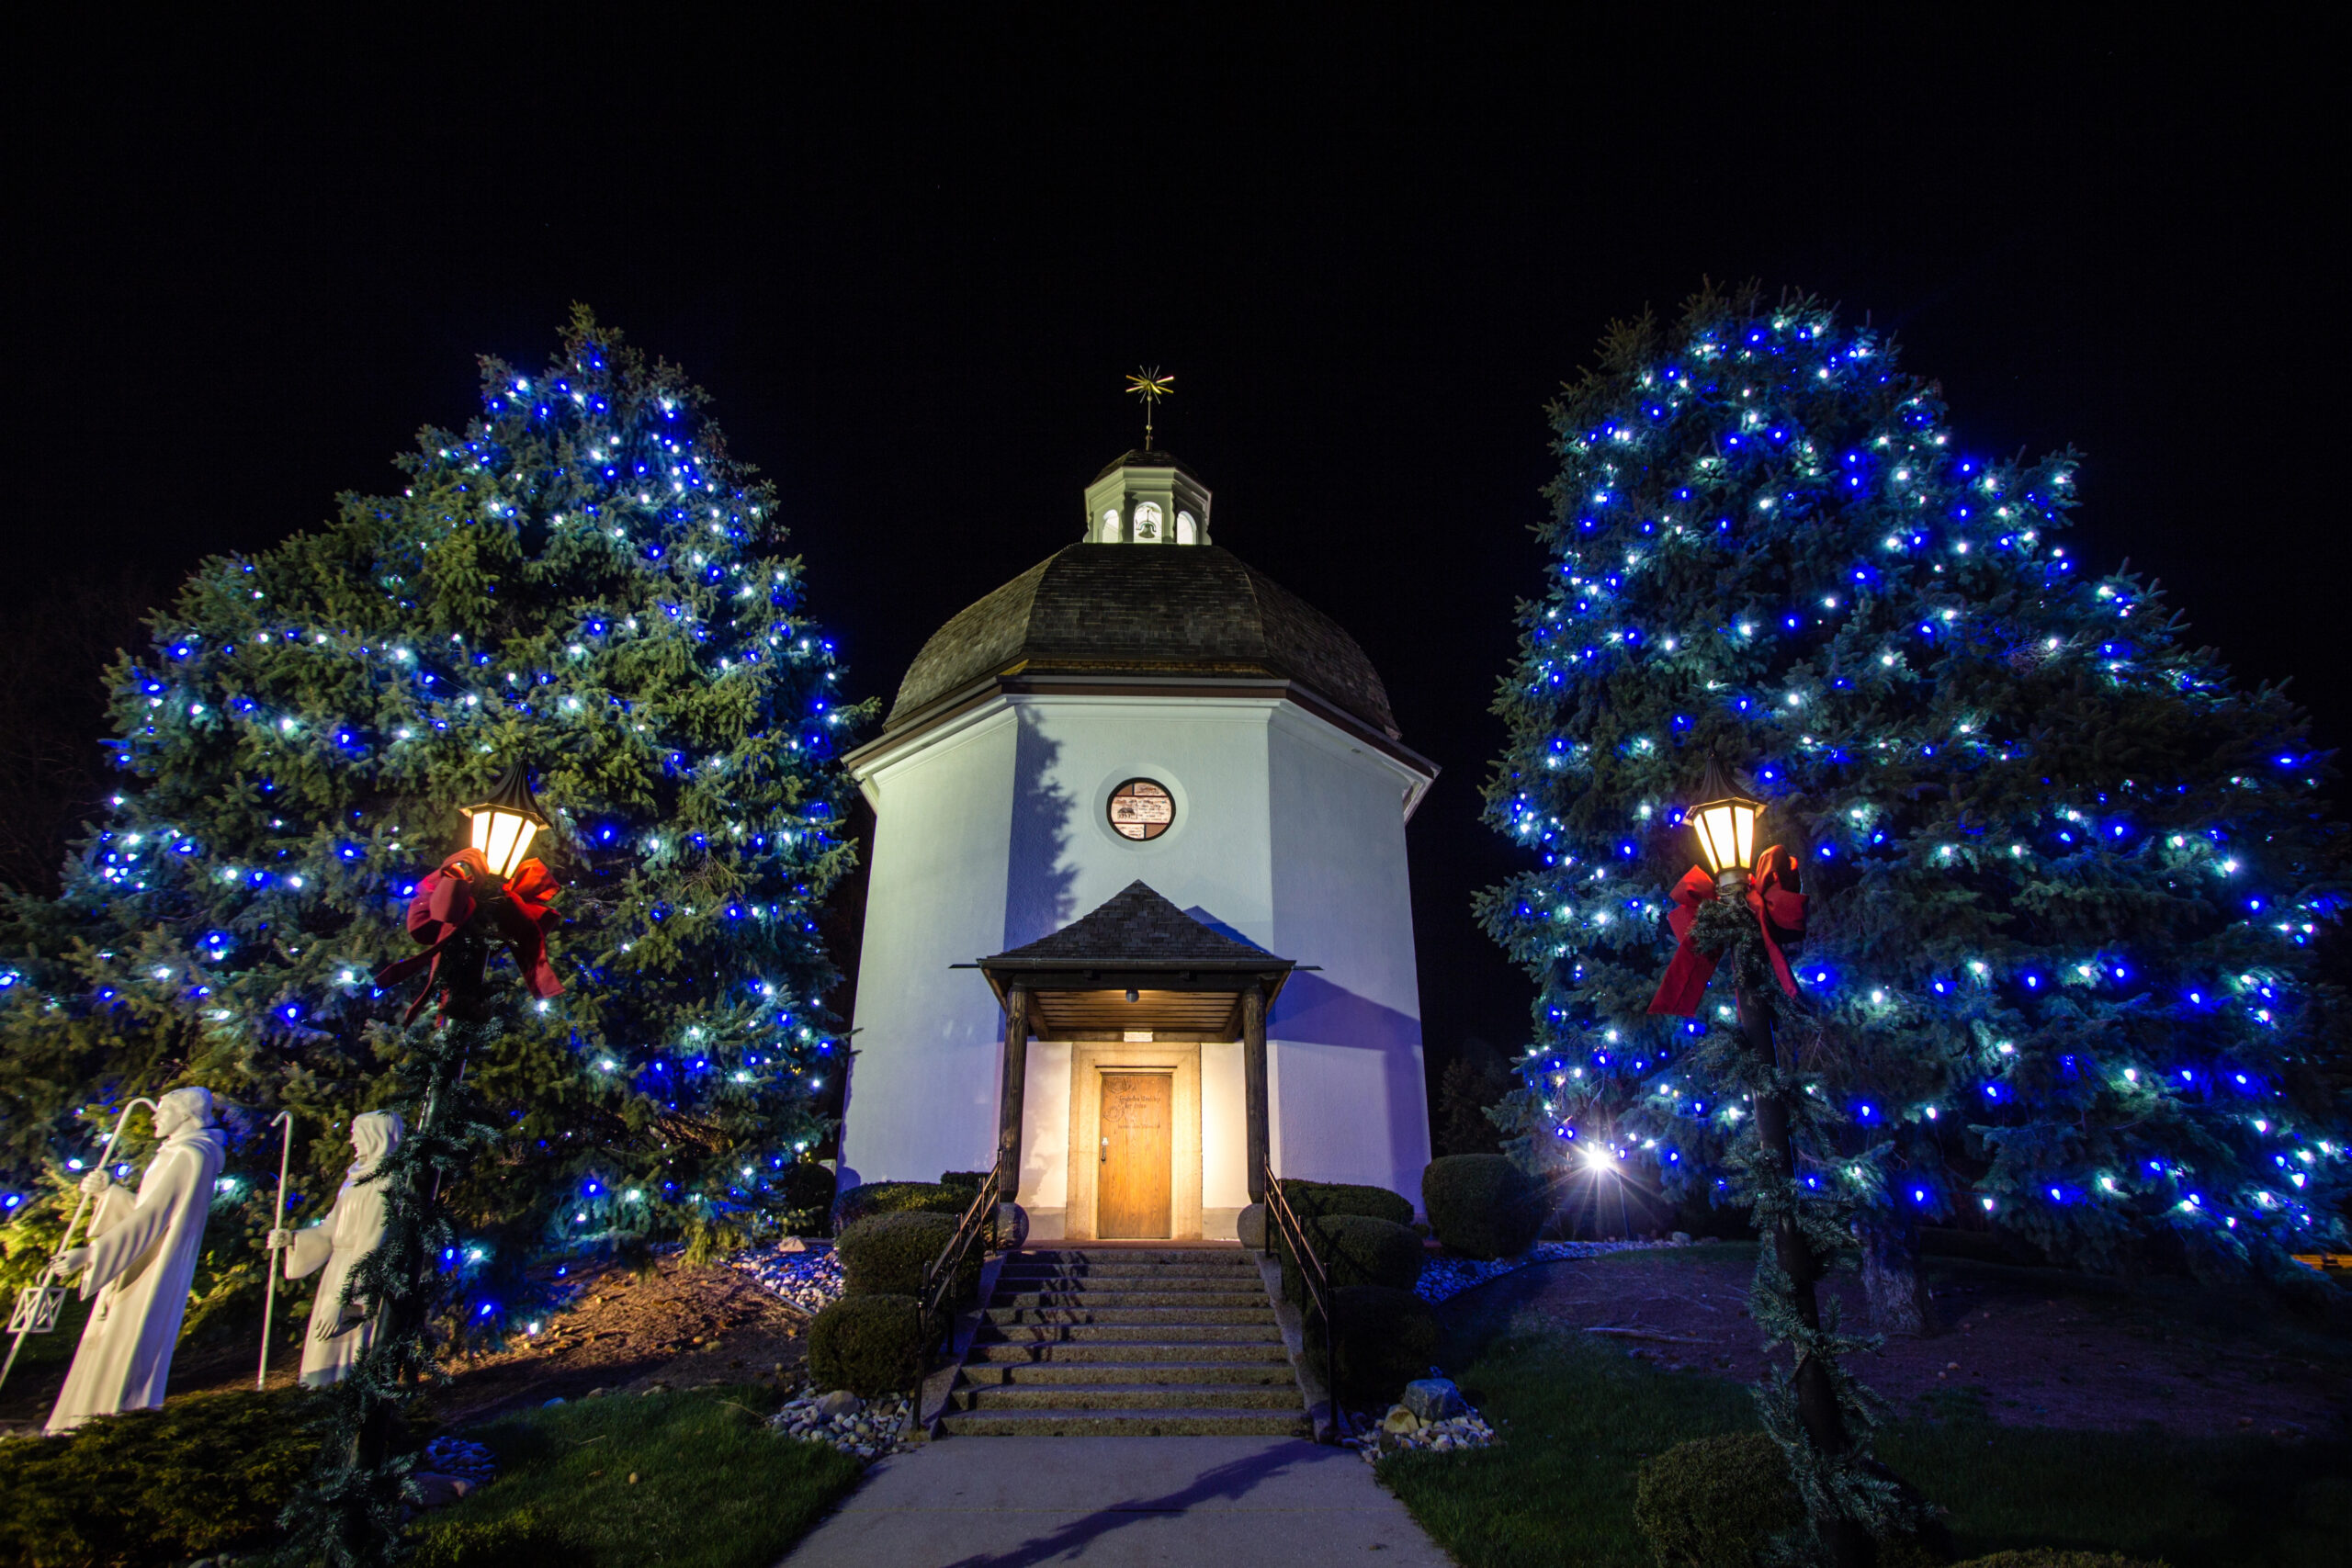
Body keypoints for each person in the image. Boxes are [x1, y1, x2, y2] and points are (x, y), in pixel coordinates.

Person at [46, 1087, 228, 1433]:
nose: (155, 1117)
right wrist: (108, 1193)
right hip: (138, 1255)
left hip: (152, 1266)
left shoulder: (191, 1154)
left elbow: (155, 1217)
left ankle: (109, 1424)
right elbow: (150, 1213)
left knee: (127, 1339)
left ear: (187, 1115)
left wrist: (92, 1255)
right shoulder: (178, 1152)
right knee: (111, 1337)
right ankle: (84, 1419)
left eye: (164, 1110)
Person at [269, 1111, 402, 1387]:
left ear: (376, 1137)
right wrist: (293, 1238)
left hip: (355, 1279)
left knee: (345, 1352)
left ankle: (342, 1406)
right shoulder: (354, 1179)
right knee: (321, 1353)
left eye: (358, 1133)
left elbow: (370, 1246)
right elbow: (331, 1228)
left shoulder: (385, 1183)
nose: (352, 1139)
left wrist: (343, 1302)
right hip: (337, 1271)